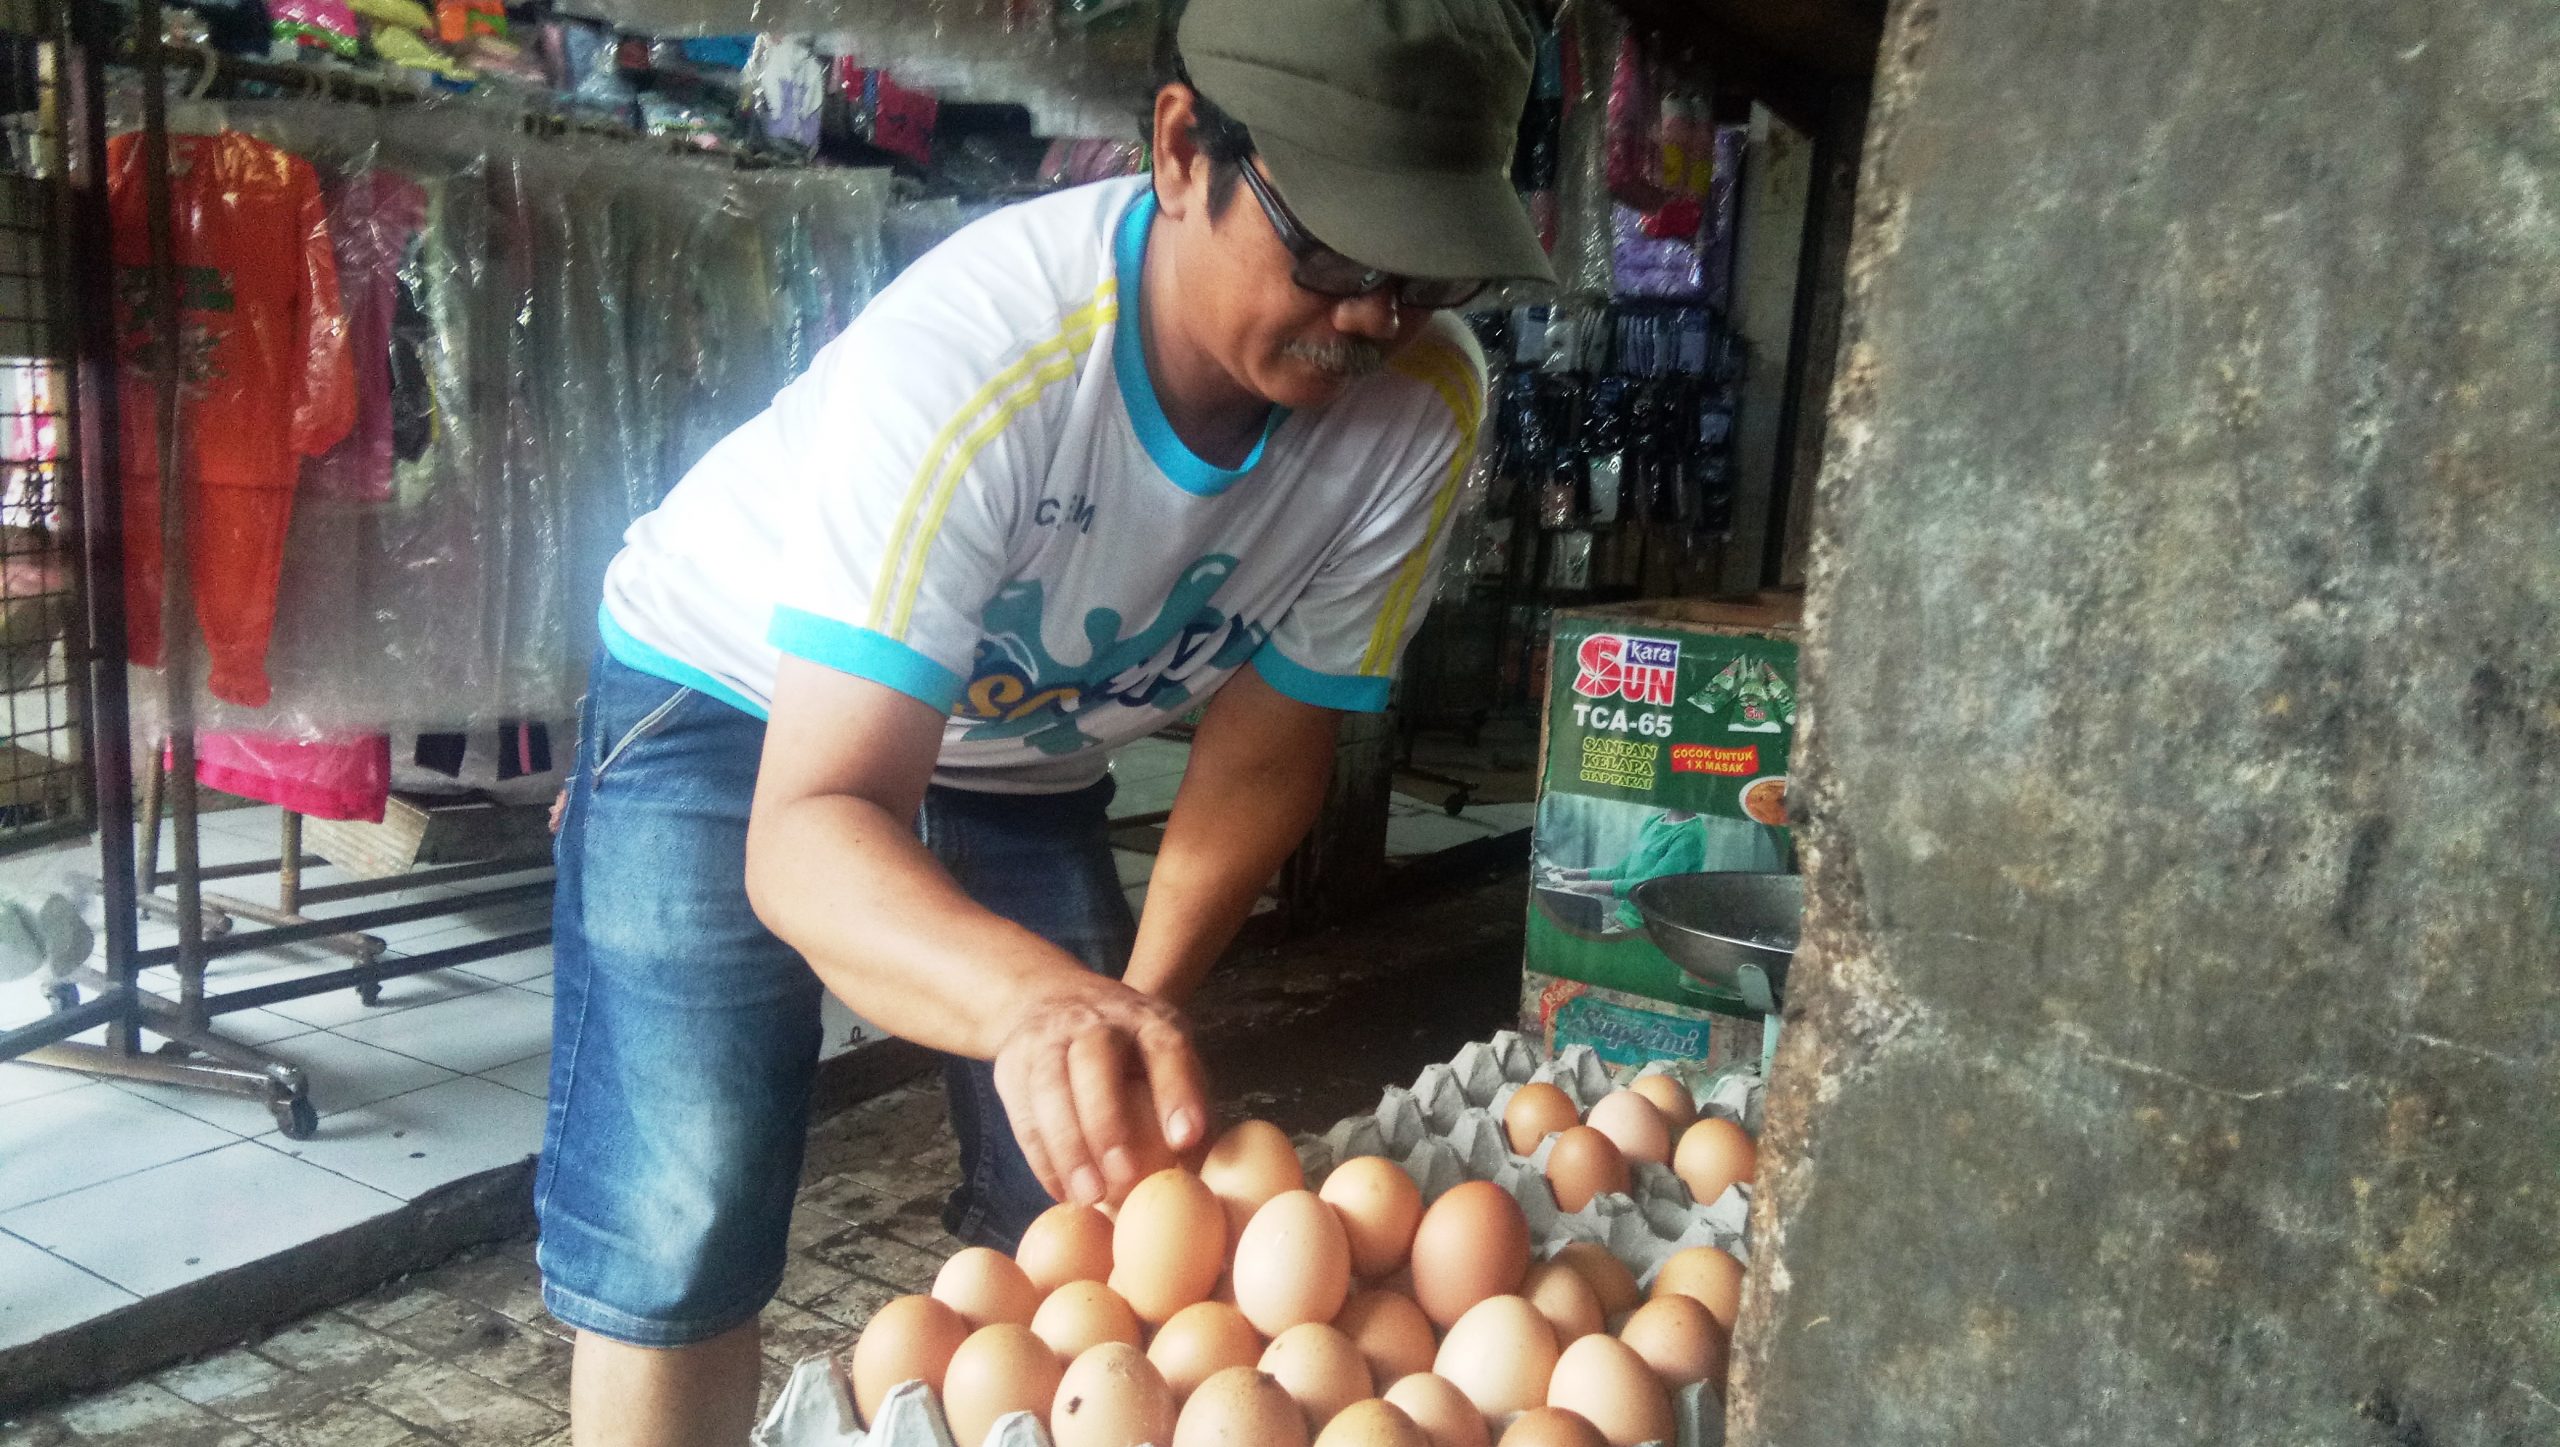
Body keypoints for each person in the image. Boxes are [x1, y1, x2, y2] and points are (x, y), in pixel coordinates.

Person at [534, 0, 1555, 1440]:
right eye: (1330, 244)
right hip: (738, 701)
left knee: (1097, 1191)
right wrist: (1034, 1004)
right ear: (1183, 144)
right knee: (683, 1198)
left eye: (1425, 265)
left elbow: (1271, 743)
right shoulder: (983, 359)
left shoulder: (1420, 404)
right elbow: (812, 831)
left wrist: (1127, 1006)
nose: (1377, 314)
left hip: (1016, 742)